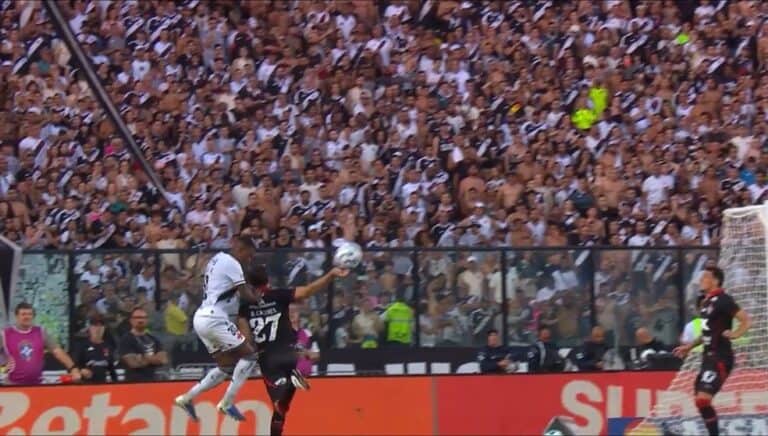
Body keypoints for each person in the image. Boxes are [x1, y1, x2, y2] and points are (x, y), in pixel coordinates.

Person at [238, 263, 349, 436]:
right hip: (290, 352)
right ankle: (291, 382)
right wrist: (331, 275)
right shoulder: (279, 295)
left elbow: (245, 339)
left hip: (268, 359)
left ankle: (289, 384)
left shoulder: (244, 307)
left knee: (278, 405)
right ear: (267, 280)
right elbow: (308, 290)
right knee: (281, 411)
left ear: (249, 284)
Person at [175, 236, 264, 421]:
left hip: (202, 317)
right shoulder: (232, 263)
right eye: (249, 255)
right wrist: (260, 300)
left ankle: (186, 398)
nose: (249, 260)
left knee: (226, 367)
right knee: (250, 355)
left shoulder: (216, 259)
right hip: (214, 318)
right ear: (240, 249)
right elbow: (245, 293)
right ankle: (227, 402)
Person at [674, 266, 751, 436]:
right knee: (700, 401)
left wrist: (735, 334)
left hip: (721, 358)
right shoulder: (705, 303)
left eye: (705, 277)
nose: (701, 280)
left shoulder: (724, 300)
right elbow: (707, 332)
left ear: (715, 280)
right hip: (707, 358)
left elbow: (745, 320)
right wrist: (689, 346)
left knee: (703, 399)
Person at [0, 302, 81, 385]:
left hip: (37, 385)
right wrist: (2, 368)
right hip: (12, 385)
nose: (27, 317)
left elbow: (57, 351)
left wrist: (73, 368)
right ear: (16, 316)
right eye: (23, 314)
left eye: (29, 314)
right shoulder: (5, 334)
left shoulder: (41, 332)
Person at [118, 307, 168, 382]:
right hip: (133, 383)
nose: (140, 320)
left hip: (152, 382)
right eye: (137, 317)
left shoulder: (154, 339)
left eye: (143, 318)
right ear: (131, 320)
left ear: (147, 320)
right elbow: (133, 363)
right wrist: (154, 358)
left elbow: (163, 360)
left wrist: (142, 358)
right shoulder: (126, 340)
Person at [72, 315, 117, 383]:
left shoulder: (108, 347)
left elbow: (111, 369)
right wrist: (82, 370)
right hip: (86, 384)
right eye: (95, 326)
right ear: (90, 328)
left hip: (104, 385)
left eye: (101, 326)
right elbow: (74, 365)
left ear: (104, 328)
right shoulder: (82, 346)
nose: (98, 329)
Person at [290, 304, 320, 377]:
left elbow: (316, 355)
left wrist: (305, 352)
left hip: (307, 378)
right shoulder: (280, 334)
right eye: (289, 311)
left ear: (299, 314)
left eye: (294, 311)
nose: (291, 313)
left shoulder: (307, 333)